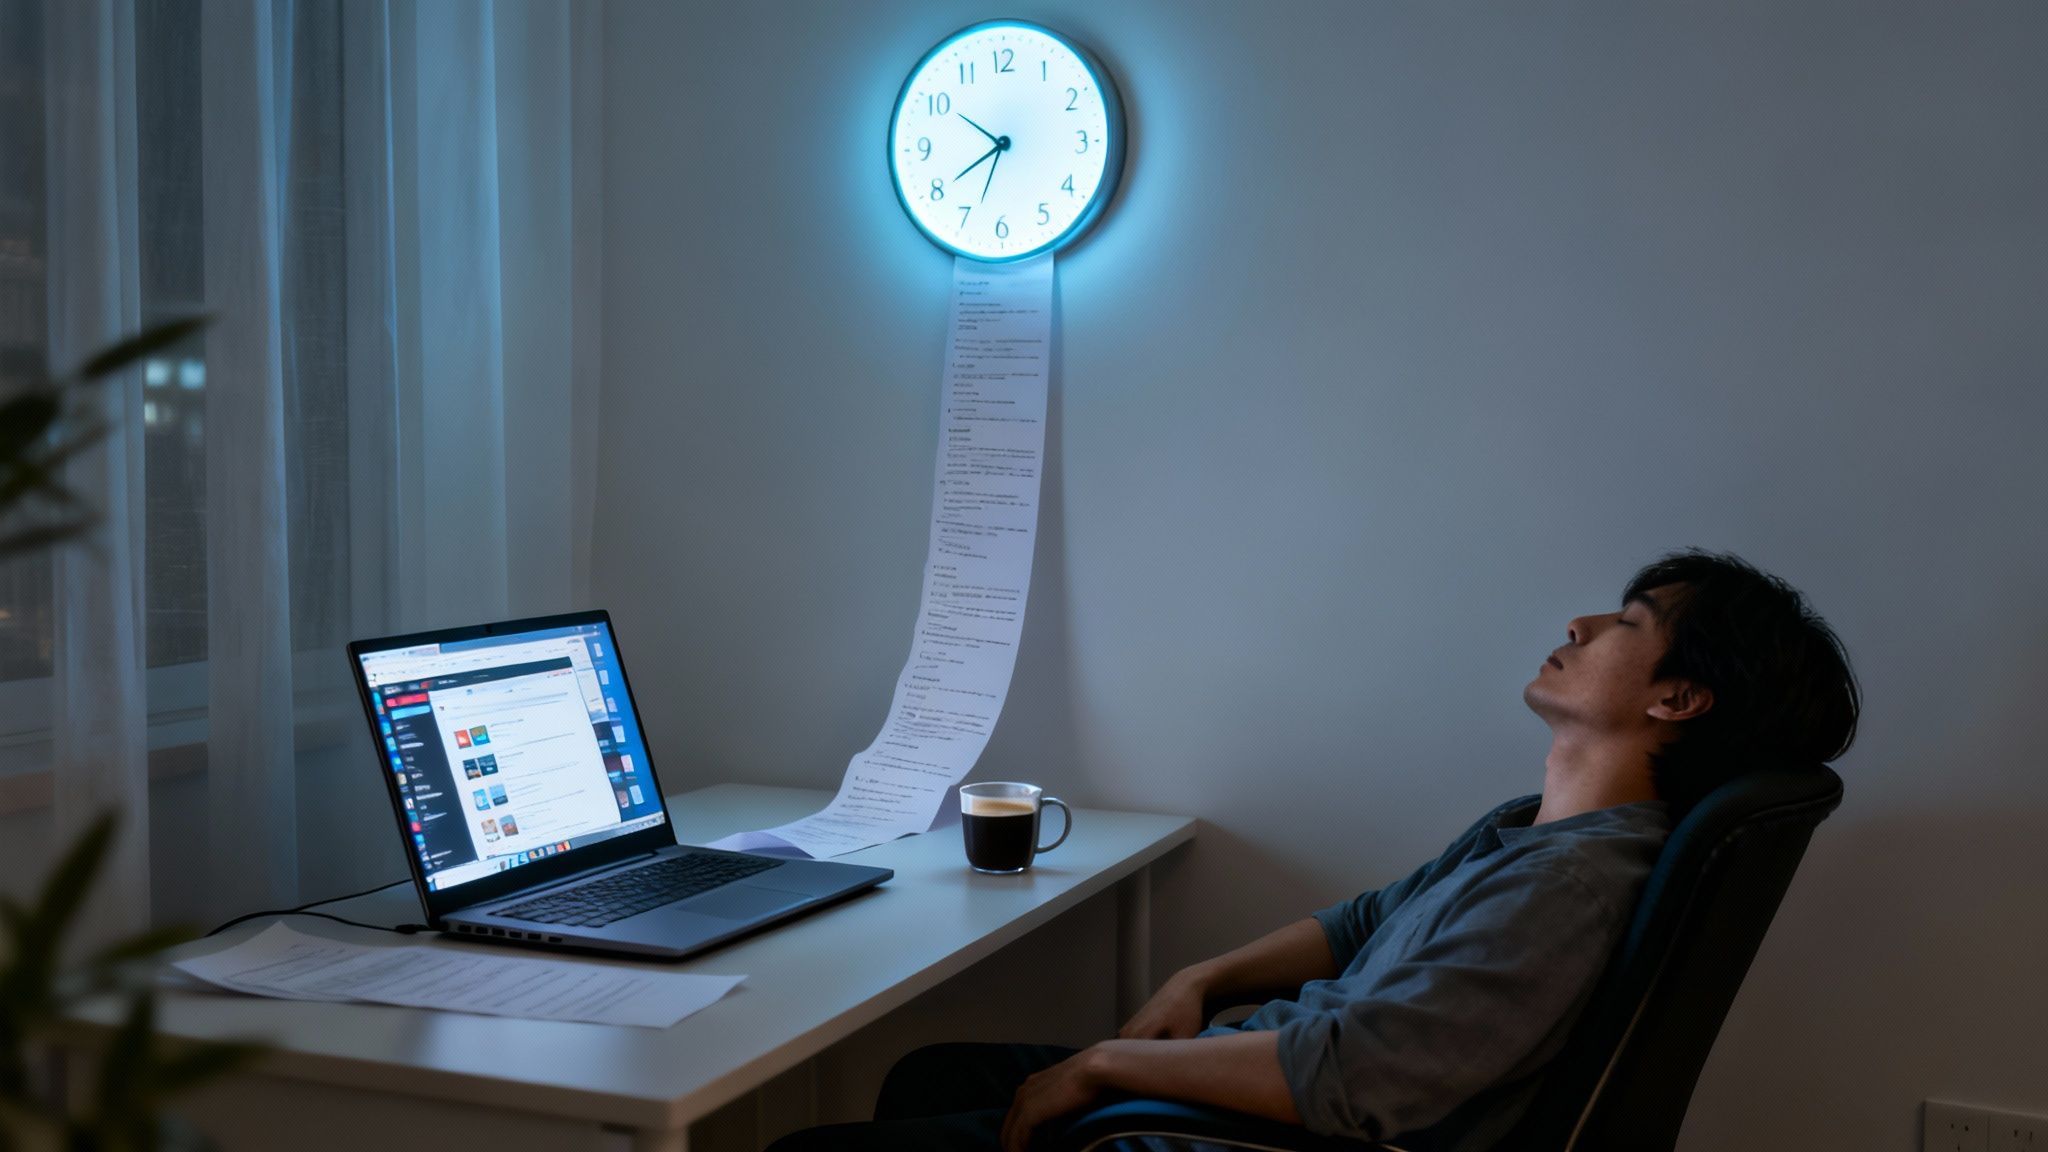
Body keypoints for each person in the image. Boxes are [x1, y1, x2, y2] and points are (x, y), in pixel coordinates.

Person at [766, 549, 1859, 1152]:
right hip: (1273, 1073)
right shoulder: (1527, 832)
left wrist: (1105, 1065)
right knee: (928, 1073)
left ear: (1676, 696)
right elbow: (1361, 926)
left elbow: (1354, 1076)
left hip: (1280, 1136)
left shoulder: (1568, 887)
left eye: (1626, 620)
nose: (1577, 624)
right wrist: (1204, 976)